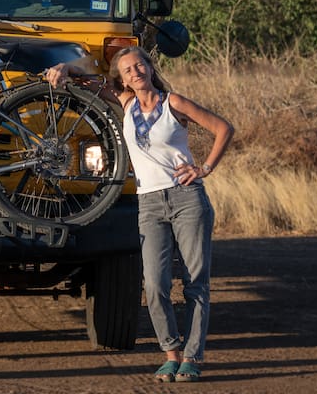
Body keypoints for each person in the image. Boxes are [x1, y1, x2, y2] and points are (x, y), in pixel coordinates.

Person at [45, 46, 233, 384]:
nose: (135, 72)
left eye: (139, 65)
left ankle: (192, 357)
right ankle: (170, 354)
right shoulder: (126, 103)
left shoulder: (173, 103)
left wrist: (203, 168)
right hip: (149, 203)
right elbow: (88, 78)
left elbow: (223, 128)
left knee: (195, 284)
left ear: (149, 67)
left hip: (187, 198)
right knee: (155, 284)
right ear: (123, 79)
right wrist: (65, 68)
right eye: (128, 70)